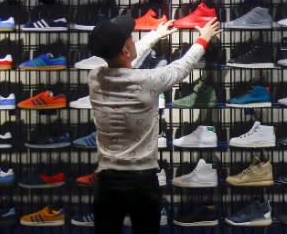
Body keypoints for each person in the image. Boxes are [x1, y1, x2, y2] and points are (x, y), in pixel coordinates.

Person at [86, 15, 220, 234]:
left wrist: (156, 35)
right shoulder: (148, 80)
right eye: (130, 37)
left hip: (107, 181)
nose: (132, 38)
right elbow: (181, 67)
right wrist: (203, 39)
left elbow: (123, 63)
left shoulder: (95, 78)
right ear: (125, 50)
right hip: (142, 181)